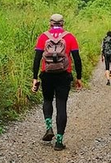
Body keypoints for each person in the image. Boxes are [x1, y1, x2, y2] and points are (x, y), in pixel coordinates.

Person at [32, 13, 83, 151]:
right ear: (62, 24)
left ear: (50, 24)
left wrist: (35, 77)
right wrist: (78, 77)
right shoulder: (70, 37)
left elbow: (37, 58)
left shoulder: (43, 37)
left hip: (46, 74)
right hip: (63, 75)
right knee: (61, 105)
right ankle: (59, 142)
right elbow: (77, 59)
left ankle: (48, 127)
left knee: (47, 100)